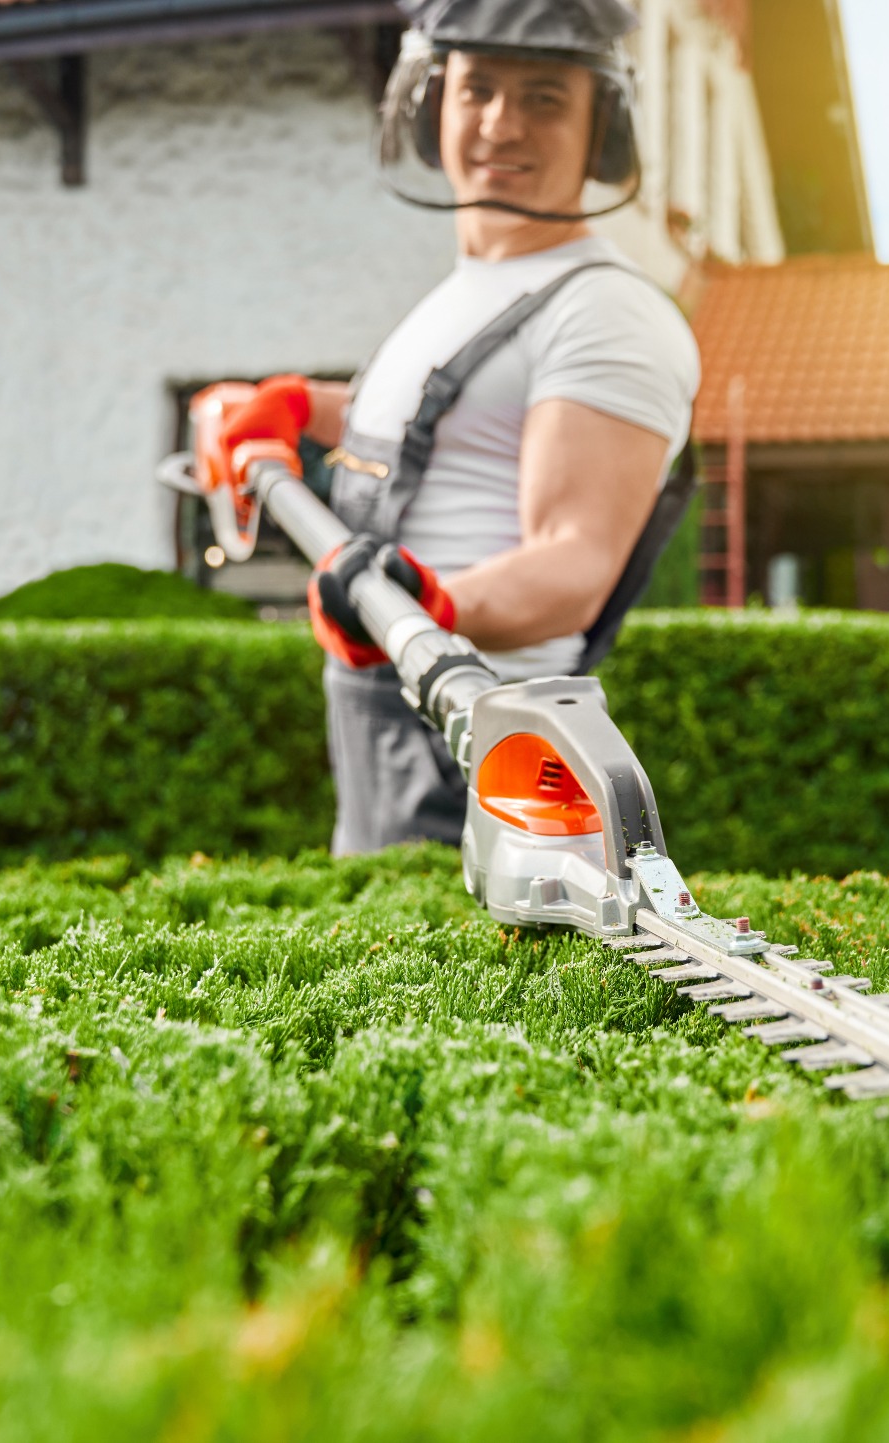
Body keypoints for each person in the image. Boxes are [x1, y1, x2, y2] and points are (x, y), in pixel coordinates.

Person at [202, 0, 699, 855]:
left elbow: (574, 559)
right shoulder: (467, 291)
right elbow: (435, 433)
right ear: (430, 105)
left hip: (482, 746)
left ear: (602, 128)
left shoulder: (605, 312)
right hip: (389, 721)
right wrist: (292, 405)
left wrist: (425, 604)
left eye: (544, 98)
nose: (502, 123)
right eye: (477, 90)